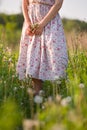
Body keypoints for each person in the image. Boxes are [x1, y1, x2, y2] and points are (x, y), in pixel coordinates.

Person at [16, 0, 68, 95]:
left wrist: (42, 24)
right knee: (33, 58)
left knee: (55, 58)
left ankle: (58, 97)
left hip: (50, 22)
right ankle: (37, 100)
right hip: (32, 22)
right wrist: (27, 22)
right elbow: (25, 2)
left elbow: (58, 3)